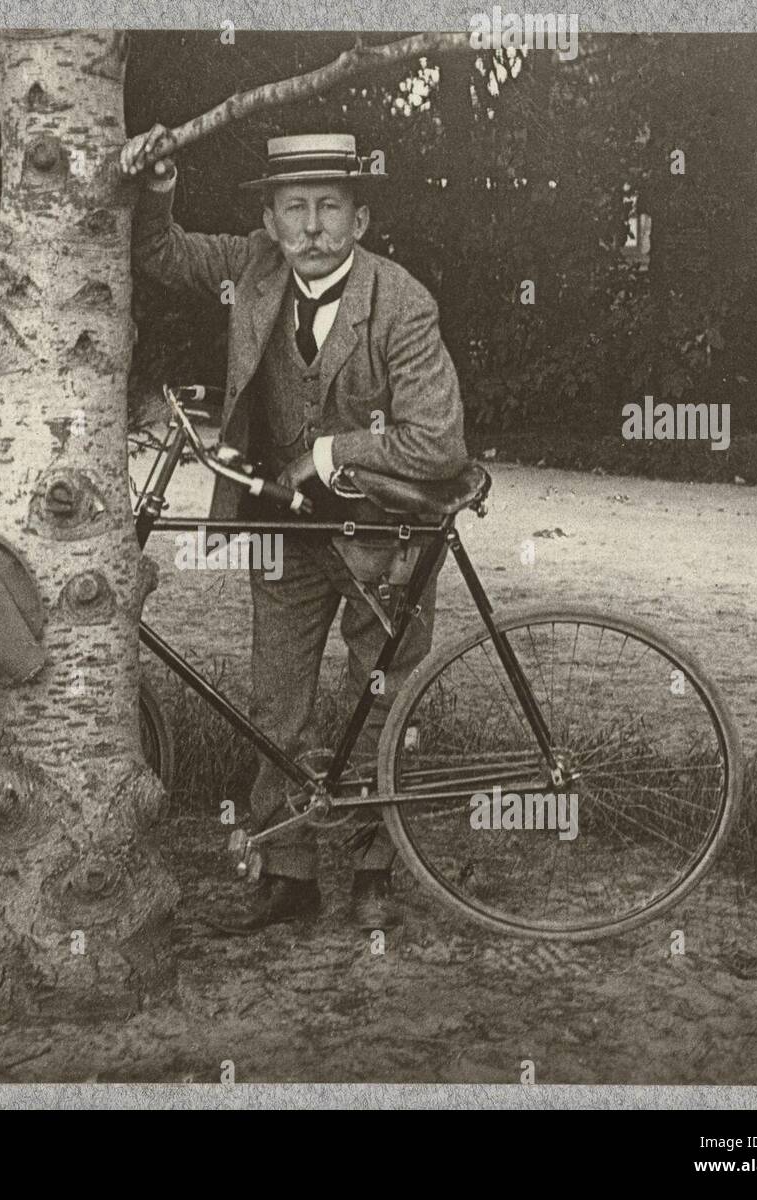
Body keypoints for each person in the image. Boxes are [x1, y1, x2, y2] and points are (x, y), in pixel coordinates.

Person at [122, 129, 469, 932]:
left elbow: (437, 442)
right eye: (294, 210)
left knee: (379, 700)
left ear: (361, 219)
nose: (311, 228)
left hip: (388, 531)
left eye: (330, 209)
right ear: (272, 223)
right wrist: (162, 184)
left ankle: (377, 871)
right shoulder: (253, 268)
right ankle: (289, 876)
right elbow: (162, 254)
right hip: (284, 526)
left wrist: (323, 451)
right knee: (277, 703)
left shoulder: (403, 301)